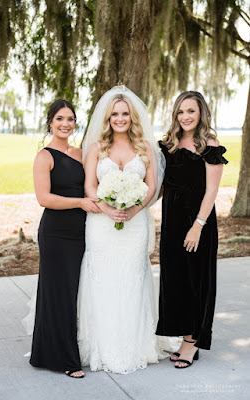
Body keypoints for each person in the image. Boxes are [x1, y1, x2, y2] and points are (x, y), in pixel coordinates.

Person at [77, 86, 174, 374]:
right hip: (101, 225)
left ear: (132, 117)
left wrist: (134, 208)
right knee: (102, 279)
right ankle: (100, 346)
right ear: (107, 118)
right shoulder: (96, 147)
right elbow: (89, 187)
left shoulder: (145, 147)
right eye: (115, 114)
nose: (120, 119)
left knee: (132, 278)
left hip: (135, 224)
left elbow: (153, 187)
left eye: (125, 114)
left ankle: (136, 345)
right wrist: (106, 208)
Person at [155, 91, 228, 368]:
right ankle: (185, 335)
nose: (185, 117)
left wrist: (197, 226)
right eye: (181, 112)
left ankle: (192, 342)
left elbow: (212, 191)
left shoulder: (209, 145)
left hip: (199, 223)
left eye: (191, 111)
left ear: (201, 114)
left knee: (197, 281)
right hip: (172, 223)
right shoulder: (168, 146)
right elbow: (160, 188)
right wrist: (136, 205)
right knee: (176, 281)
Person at [29, 99, 100, 378]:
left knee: (75, 291)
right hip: (56, 233)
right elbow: (43, 198)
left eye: (70, 119)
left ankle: (45, 353)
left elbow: (90, 186)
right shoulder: (44, 157)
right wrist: (80, 202)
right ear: (50, 123)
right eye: (60, 119)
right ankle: (66, 360)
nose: (65, 124)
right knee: (59, 294)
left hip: (82, 231)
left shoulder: (80, 152)